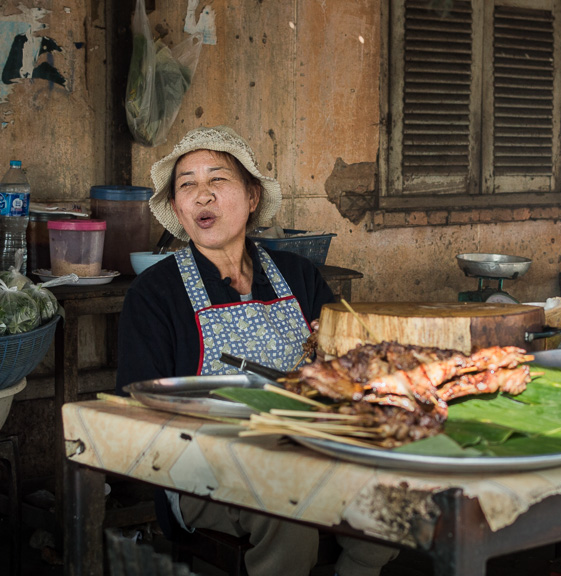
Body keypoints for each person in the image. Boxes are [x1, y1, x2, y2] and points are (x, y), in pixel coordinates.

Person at [116, 125, 398, 576]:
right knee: (288, 507)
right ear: (176, 207)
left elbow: (348, 363)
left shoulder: (298, 275)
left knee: (404, 484)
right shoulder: (156, 293)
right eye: (186, 185)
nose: (202, 195)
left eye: (217, 180)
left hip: (310, 445)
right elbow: (139, 405)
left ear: (251, 198)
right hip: (201, 467)